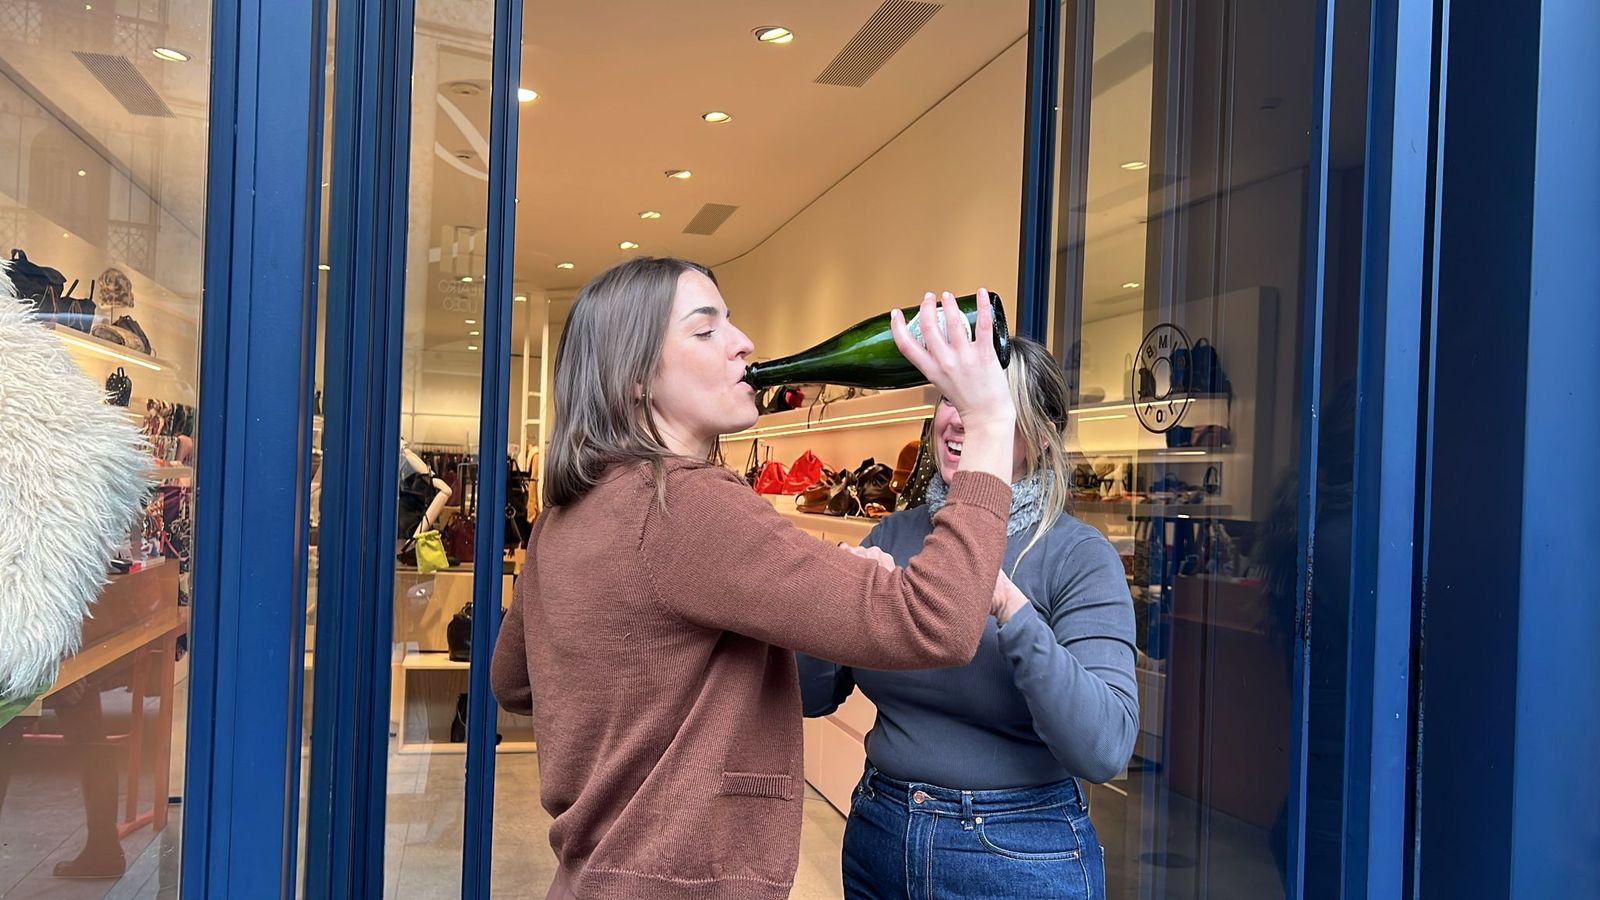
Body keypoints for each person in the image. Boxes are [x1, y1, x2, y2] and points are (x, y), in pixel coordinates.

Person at [489, 256, 1019, 900]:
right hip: (679, 882)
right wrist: (991, 423)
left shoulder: (566, 515)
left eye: (731, 323)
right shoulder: (684, 503)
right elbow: (936, 620)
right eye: (705, 330)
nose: (743, 343)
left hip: (592, 875)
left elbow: (513, 681)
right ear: (633, 377)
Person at [797, 336, 1140, 900]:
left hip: (1020, 850)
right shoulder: (896, 534)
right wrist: (829, 598)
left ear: (1039, 435)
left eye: (987, 404)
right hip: (881, 830)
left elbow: (1102, 748)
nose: (959, 421)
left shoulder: (1077, 555)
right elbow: (811, 696)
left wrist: (1008, 605)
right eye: (952, 398)